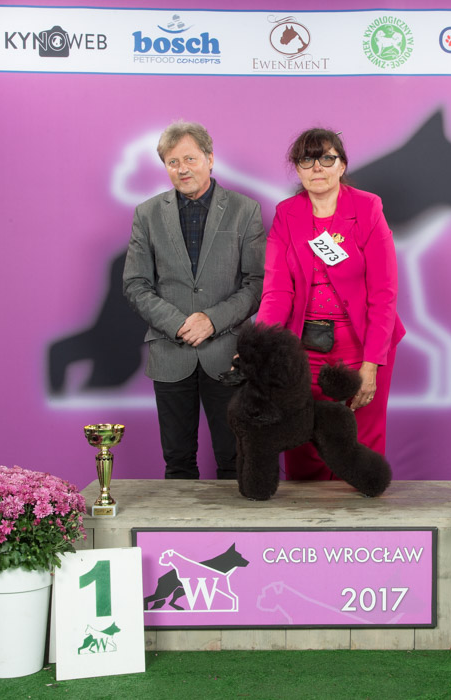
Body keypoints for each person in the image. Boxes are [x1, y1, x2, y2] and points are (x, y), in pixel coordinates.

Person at [256, 128, 405, 480]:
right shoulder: (286, 213)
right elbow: (277, 291)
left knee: (360, 443)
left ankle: (362, 509)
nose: (317, 168)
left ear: (342, 165)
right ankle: (306, 517)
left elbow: (383, 293)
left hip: (363, 344)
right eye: (306, 160)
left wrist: (371, 364)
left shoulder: (368, 208)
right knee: (302, 440)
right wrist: (262, 349)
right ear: (297, 169)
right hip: (304, 346)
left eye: (326, 158)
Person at [123, 121, 266, 479]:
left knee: (236, 459)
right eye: (173, 162)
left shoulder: (245, 209)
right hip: (170, 352)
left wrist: (212, 320)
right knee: (178, 462)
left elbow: (257, 282)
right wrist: (178, 324)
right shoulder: (147, 214)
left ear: (210, 159)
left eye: (190, 159)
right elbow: (136, 284)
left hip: (228, 353)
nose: (182, 169)